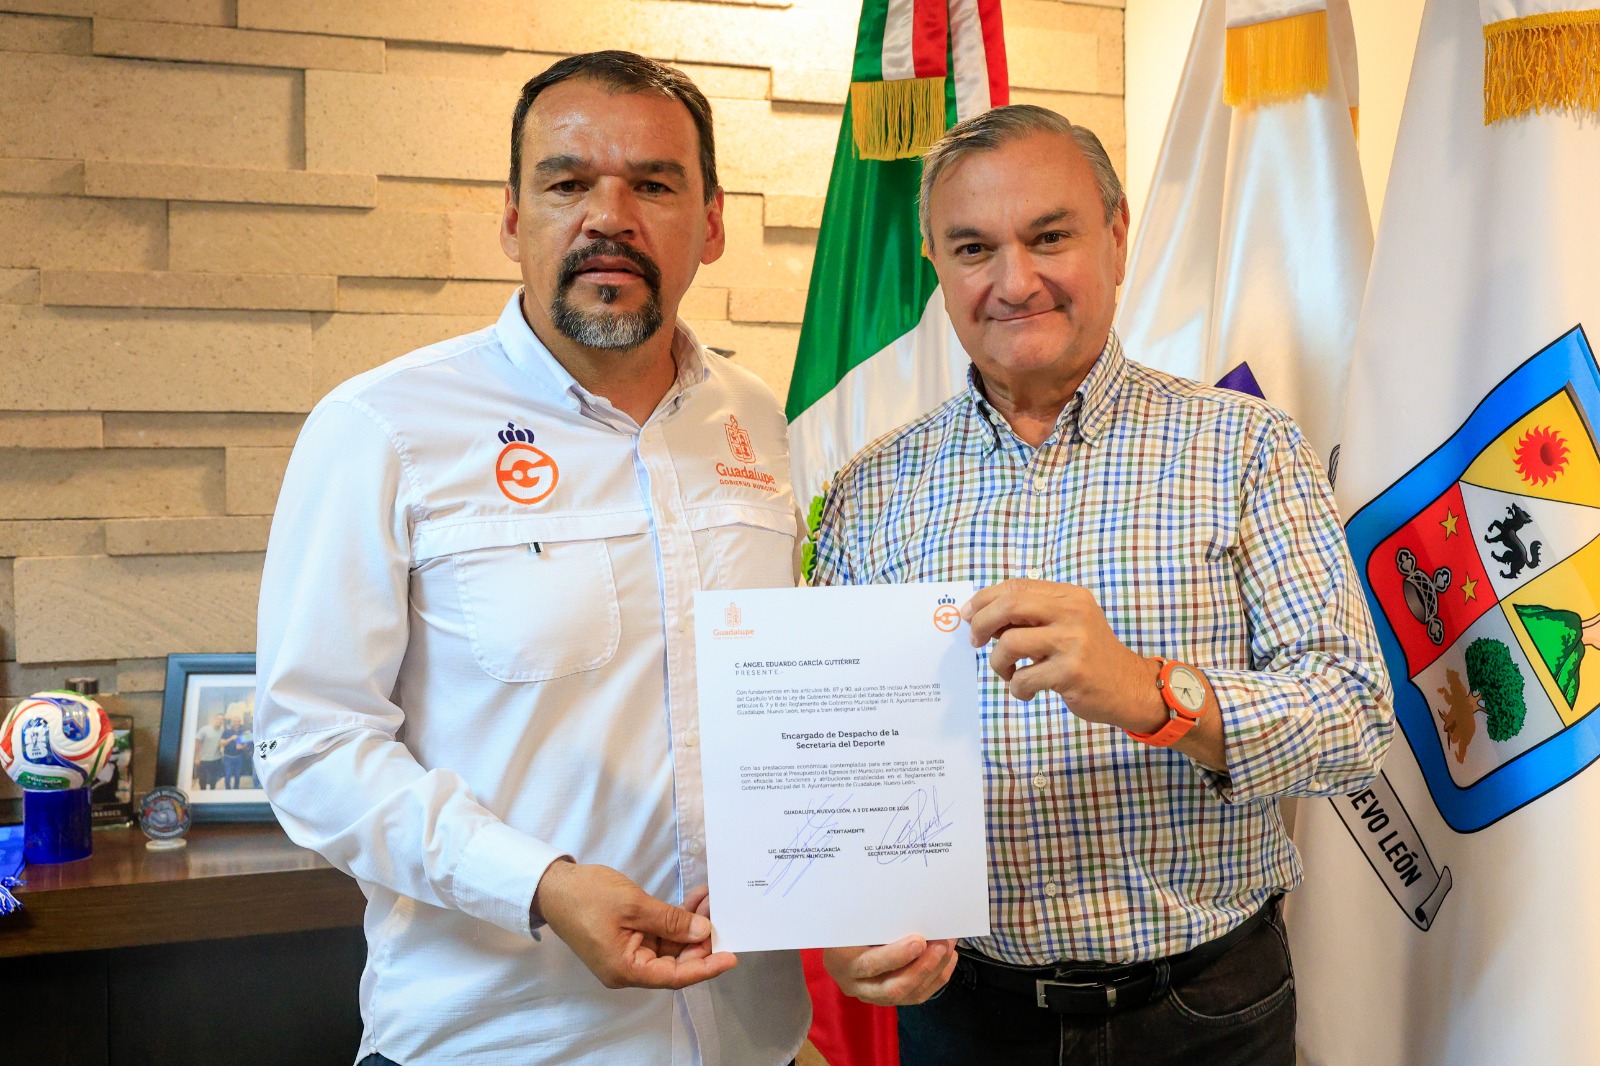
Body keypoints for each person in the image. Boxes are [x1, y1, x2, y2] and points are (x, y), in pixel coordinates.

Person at [254, 51, 808, 1065]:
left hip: (747, 1033)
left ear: (712, 222)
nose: (610, 217)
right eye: (567, 183)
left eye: (653, 185)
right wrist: (540, 884)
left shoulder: (762, 422)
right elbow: (310, 745)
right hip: (496, 1038)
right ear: (513, 218)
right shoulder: (384, 426)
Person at [811, 105, 1395, 1065]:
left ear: (1117, 238)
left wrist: (1149, 692)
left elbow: (1355, 718)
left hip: (1206, 1013)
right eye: (973, 248)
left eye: (1050, 237)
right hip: (966, 1019)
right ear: (935, 264)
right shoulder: (869, 490)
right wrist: (844, 919)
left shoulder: (1246, 448)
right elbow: (833, 759)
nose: (1013, 282)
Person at [193, 713, 224, 790]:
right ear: (214, 719)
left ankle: (212, 793)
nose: (220, 721)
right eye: (218, 719)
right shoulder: (204, 729)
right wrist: (197, 757)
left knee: (213, 780)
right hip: (203, 759)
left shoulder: (222, 731)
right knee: (202, 780)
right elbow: (197, 744)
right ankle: (203, 793)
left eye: (222, 720)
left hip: (216, 759)